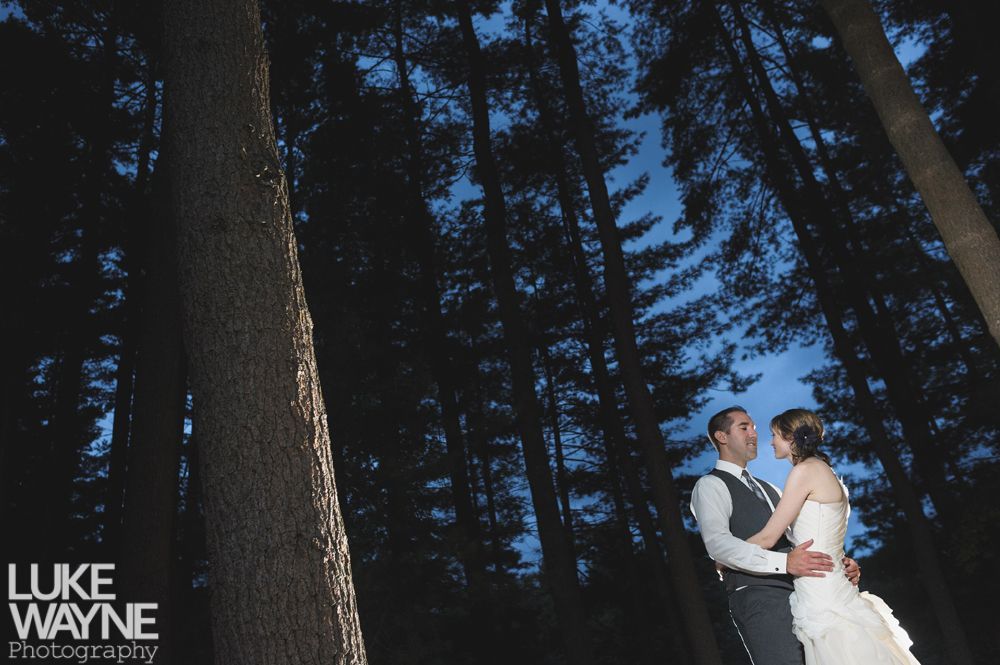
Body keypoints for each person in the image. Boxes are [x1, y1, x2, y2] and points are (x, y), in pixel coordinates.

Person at [744, 408, 920, 664]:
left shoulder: (804, 471)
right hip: (828, 584)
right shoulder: (825, 471)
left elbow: (768, 538)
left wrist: (725, 556)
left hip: (823, 593)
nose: (770, 441)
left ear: (790, 436)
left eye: (774, 435)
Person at [691, 406, 861, 665]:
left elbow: (800, 537)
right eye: (744, 427)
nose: (754, 434)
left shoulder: (771, 488)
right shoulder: (710, 486)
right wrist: (784, 563)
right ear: (722, 437)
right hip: (760, 597)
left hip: (804, 596)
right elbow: (718, 544)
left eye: (755, 428)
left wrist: (837, 562)